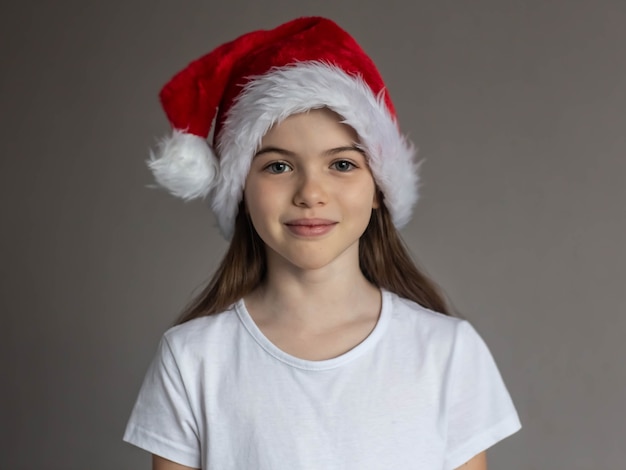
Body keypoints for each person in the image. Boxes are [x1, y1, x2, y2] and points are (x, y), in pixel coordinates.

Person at [123, 16, 521, 470]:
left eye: (343, 165)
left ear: (379, 188)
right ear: (240, 192)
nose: (311, 193)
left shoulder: (447, 351)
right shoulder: (193, 360)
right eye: (278, 166)